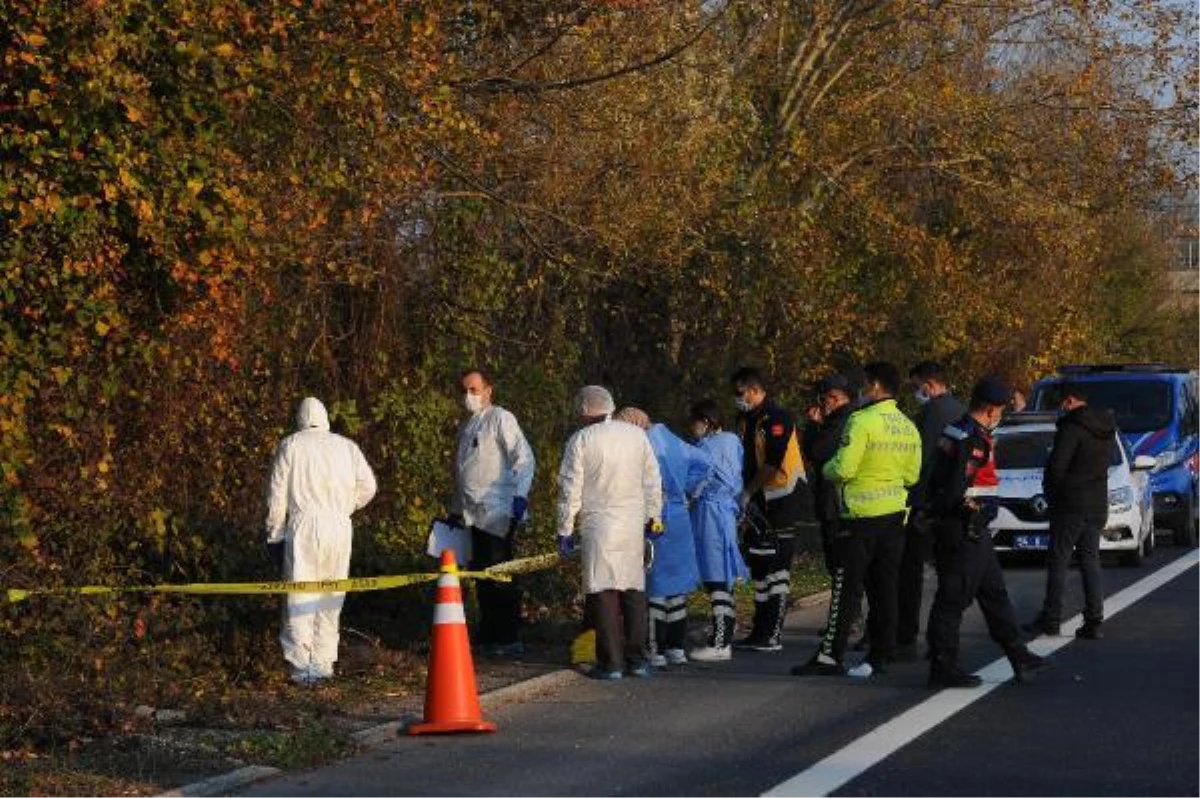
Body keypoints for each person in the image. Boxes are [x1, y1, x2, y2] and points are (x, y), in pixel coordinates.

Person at [793, 362, 920, 678]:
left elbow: (843, 468)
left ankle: (830, 656)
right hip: (894, 516)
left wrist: (826, 470)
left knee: (845, 589)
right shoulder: (907, 424)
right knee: (885, 588)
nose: (861, 391)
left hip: (859, 518)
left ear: (875, 386)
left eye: (864, 385)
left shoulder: (861, 421)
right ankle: (882, 654)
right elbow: (912, 474)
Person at [924, 377, 1050, 688]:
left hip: (973, 530)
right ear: (992, 409)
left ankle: (1017, 653)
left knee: (995, 593)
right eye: (1002, 409)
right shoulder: (971, 439)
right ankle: (942, 666)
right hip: (962, 530)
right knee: (953, 599)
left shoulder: (962, 430)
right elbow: (954, 487)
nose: (1002, 415)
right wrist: (973, 510)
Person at [265, 397, 377, 685]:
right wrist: (346, 507)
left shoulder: (291, 445)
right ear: (326, 417)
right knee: (331, 595)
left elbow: (276, 497)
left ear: (300, 419)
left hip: (303, 525)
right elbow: (369, 486)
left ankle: (302, 668)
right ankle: (324, 663)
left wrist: (274, 535)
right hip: (340, 527)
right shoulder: (347, 447)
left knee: (301, 595)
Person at [557, 386, 664, 680]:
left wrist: (564, 529)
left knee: (602, 591)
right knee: (633, 589)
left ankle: (611, 662)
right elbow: (652, 479)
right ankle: (638, 659)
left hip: (599, 525)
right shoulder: (636, 436)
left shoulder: (581, 440)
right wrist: (654, 517)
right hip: (632, 523)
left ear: (583, 410)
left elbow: (570, 489)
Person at [449, 368, 536, 656]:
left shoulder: (500, 418)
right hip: (472, 512)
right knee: (481, 575)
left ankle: (509, 636)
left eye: (474, 390)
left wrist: (520, 495)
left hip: (498, 508)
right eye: (464, 390)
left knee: (500, 574)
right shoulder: (467, 427)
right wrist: (455, 510)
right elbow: (462, 473)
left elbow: (523, 458)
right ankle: (489, 634)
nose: (468, 396)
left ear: (488, 390)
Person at [615, 406, 709, 668]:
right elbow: (704, 463)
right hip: (679, 516)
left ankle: (655, 649)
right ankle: (676, 648)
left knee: (655, 586)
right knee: (677, 589)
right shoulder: (672, 439)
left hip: (653, 516)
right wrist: (691, 490)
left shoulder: (645, 443)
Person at [730, 367, 812, 652]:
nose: (737, 399)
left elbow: (772, 462)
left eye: (740, 393)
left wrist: (748, 491)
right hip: (759, 502)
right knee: (761, 568)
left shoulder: (778, 418)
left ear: (754, 390)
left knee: (777, 569)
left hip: (782, 499)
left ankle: (772, 634)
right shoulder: (745, 419)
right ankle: (759, 631)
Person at [1025, 382, 1113, 641]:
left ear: (1071, 400)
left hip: (1070, 503)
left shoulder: (1071, 428)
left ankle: (1051, 619)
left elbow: (1056, 467)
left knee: (1059, 560)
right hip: (1097, 502)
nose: (1060, 406)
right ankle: (1094, 620)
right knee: (1090, 560)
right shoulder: (1105, 427)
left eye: (1062, 401)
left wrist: (1052, 494)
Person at [898, 361, 967, 658]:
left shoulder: (931, 413)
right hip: (954, 502)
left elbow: (921, 461)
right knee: (949, 573)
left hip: (926, 503)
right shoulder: (961, 409)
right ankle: (943, 638)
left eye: (916, 386)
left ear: (929, 384)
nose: (915, 392)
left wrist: (915, 502)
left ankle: (906, 638)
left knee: (910, 572)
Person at [686, 399, 750, 662]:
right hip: (727, 512)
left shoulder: (705, 447)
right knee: (723, 574)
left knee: (715, 577)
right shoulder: (732, 441)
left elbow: (696, 482)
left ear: (706, 421)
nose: (693, 428)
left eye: (695, 422)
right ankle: (721, 636)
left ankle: (721, 642)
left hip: (710, 514)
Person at [802, 375, 855, 576]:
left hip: (835, 502)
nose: (821, 406)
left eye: (822, 400)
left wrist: (813, 426)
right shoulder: (852, 417)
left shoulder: (840, 420)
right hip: (843, 500)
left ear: (833, 398)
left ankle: (841, 605)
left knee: (838, 562)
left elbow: (816, 452)